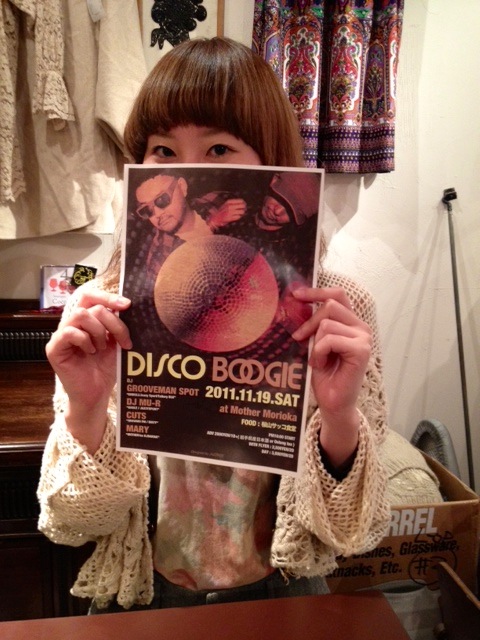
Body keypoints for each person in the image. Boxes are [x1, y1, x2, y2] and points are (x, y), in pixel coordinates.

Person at [37, 37, 391, 613]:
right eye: (163, 150)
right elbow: (74, 522)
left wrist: (338, 416)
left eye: (220, 147)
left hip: (282, 588)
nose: (189, 172)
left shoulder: (335, 309)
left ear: (271, 162)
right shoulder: (103, 308)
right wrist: (86, 408)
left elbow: (353, 529)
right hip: (145, 593)